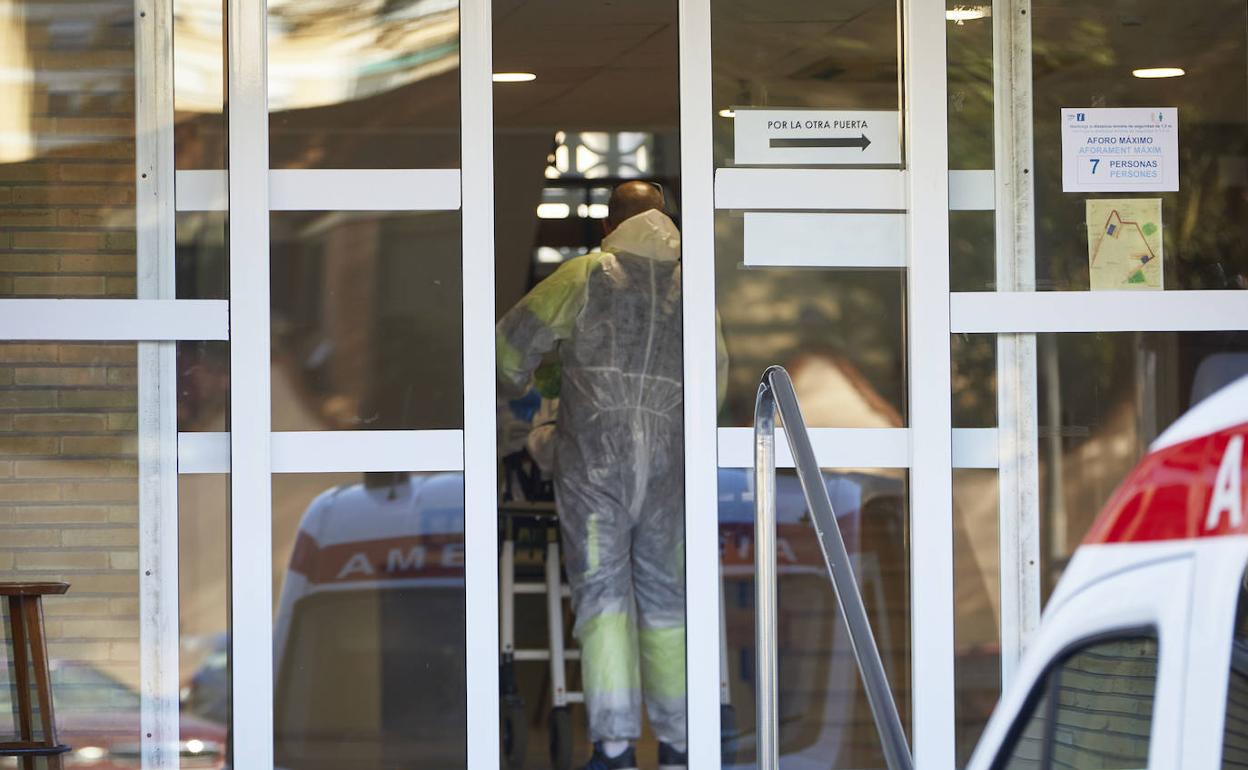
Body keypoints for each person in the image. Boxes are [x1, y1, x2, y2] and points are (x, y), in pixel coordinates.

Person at [498, 181, 723, 770]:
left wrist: (523, 393)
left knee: (602, 602)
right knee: (668, 601)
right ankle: (679, 744)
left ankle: (616, 746)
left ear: (607, 228)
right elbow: (714, 380)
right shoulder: (697, 289)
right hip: (670, 474)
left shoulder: (585, 276)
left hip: (593, 470)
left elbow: (506, 351)